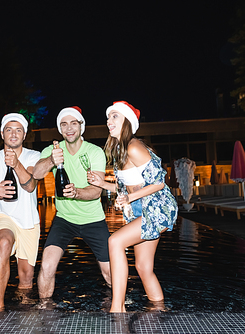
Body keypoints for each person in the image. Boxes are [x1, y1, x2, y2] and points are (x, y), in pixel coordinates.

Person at [88, 101, 177, 313]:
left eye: (115, 117)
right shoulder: (120, 150)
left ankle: (117, 309)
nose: (109, 121)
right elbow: (125, 187)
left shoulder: (134, 147)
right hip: (141, 210)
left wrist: (129, 198)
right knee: (143, 268)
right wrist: (102, 184)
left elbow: (159, 183)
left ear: (127, 121)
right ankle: (159, 310)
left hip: (157, 208)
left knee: (115, 242)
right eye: (108, 117)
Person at [33, 106, 111, 307]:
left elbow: (96, 191)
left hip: (93, 219)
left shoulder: (95, 152)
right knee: (47, 266)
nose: (69, 128)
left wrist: (76, 192)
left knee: (110, 272)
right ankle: (45, 311)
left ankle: (120, 306)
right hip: (64, 219)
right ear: (59, 129)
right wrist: (51, 159)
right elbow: (36, 174)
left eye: (73, 123)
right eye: (64, 124)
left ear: (81, 126)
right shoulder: (52, 150)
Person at [0, 113, 41, 311]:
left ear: (24, 135)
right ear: (2, 133)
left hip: (29, 219)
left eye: (18, 130)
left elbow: (30, 186)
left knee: (26, 278)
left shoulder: (33, 156)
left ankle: (23, 313)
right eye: (9, 129)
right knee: (4, 243)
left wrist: (16, 164)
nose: (13, 134)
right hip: (3, 215)